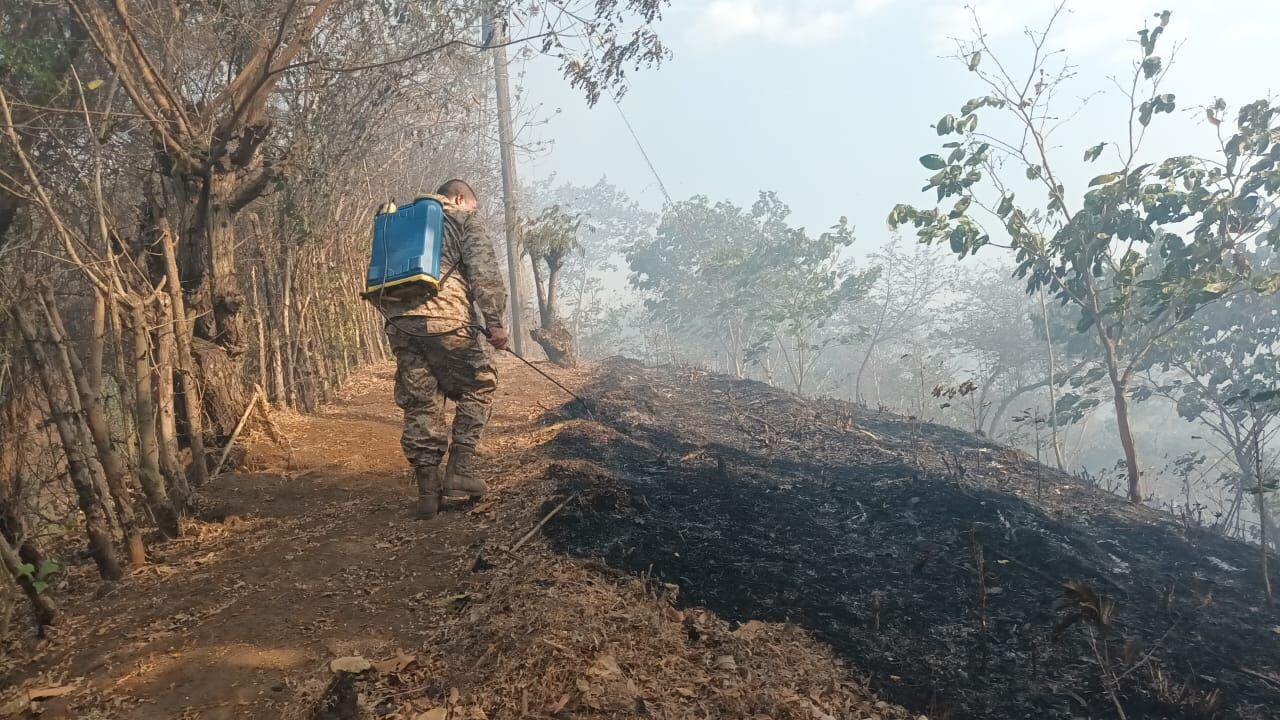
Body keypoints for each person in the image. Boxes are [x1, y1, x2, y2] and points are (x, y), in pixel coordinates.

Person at [375, 179, 509, 519]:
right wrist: (494, 321)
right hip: (445, 319)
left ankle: (427, 493)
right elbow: (484, 271)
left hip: (400, 322)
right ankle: (460, 469)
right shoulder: (461, 218)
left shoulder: (400, 222)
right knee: (482, 381)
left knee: (421, 399)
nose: (474, 213)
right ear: (460, 198)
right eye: (473, 207)